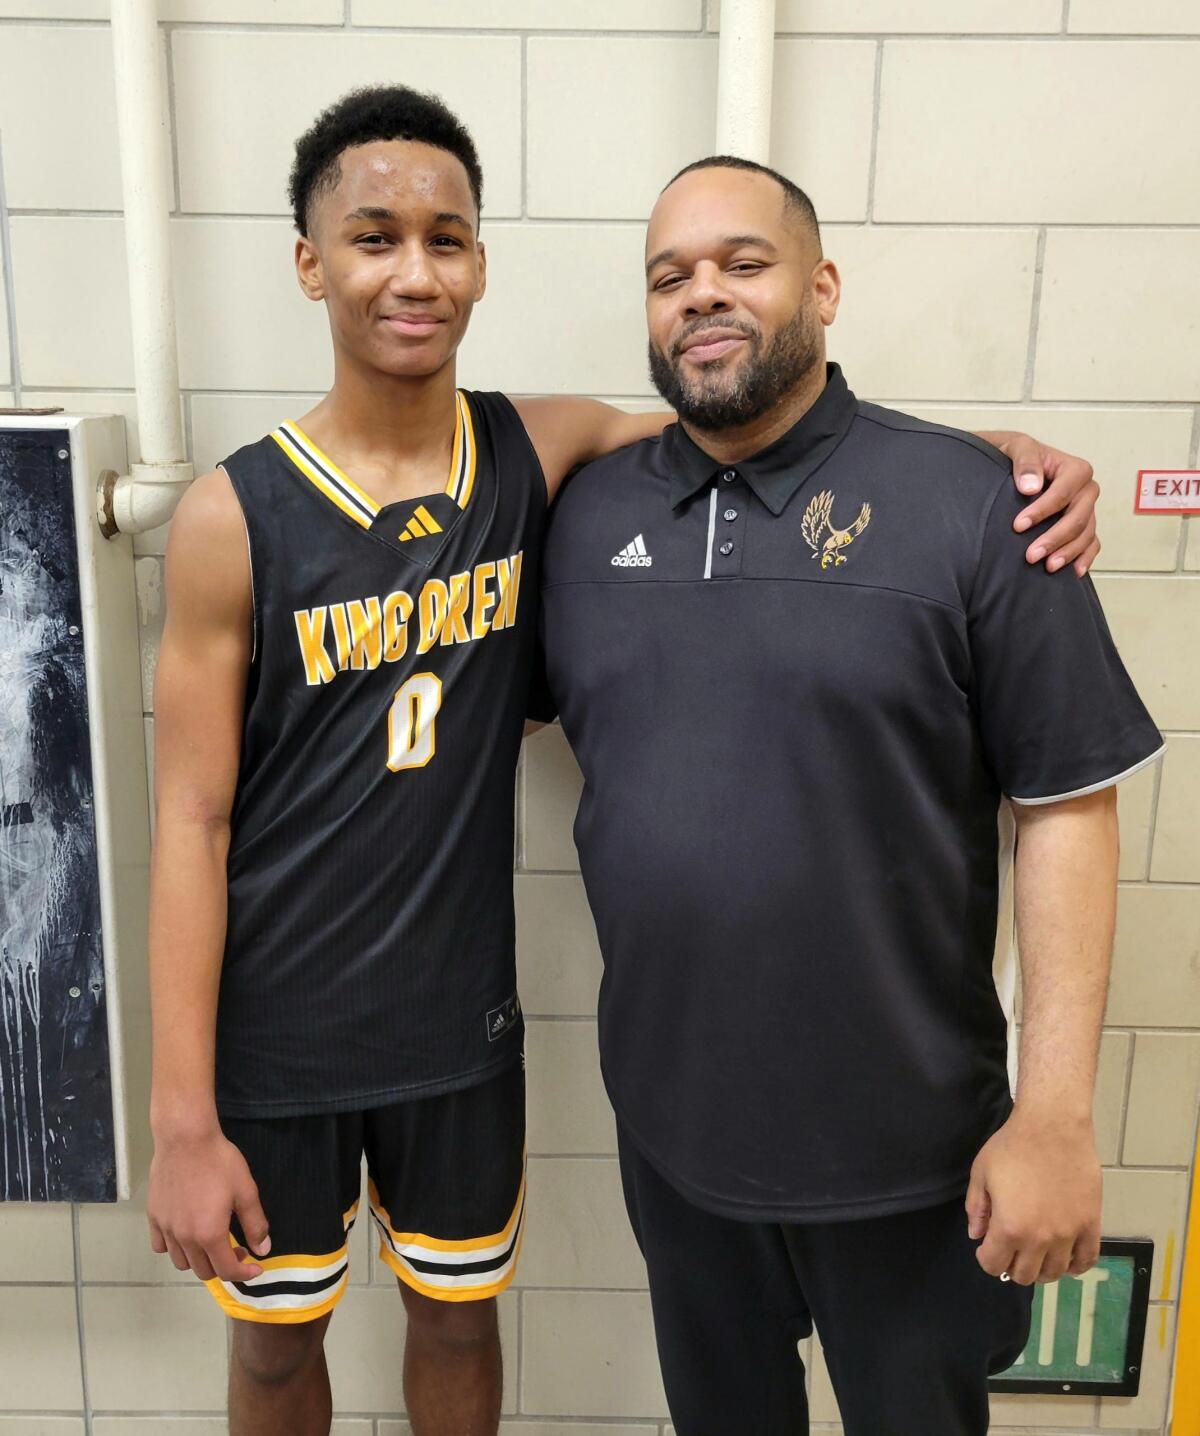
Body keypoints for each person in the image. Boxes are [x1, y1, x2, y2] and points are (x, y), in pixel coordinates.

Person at [145, 85, 1103, 1436]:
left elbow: (765, 422)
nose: (414, 271)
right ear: (311, 262)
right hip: (285, 1036)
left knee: (456, 1321)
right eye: (373, 238)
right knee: (271, 1353)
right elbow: (187, 818)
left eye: (447, 237)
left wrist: (987, 469)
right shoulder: (236, 515)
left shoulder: (540, 450)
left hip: (467, 1034)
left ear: (481, 260)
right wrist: (179, 1116)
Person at [532, 155, 1163, 1436]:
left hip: (911, 1156)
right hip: (677, 1140)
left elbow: (1067, 808)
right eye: (670, 276)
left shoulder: (983, 509)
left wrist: (1053, 1114)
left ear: (820, 286)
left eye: (743, 263)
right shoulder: (583, 520)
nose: (703, 293)